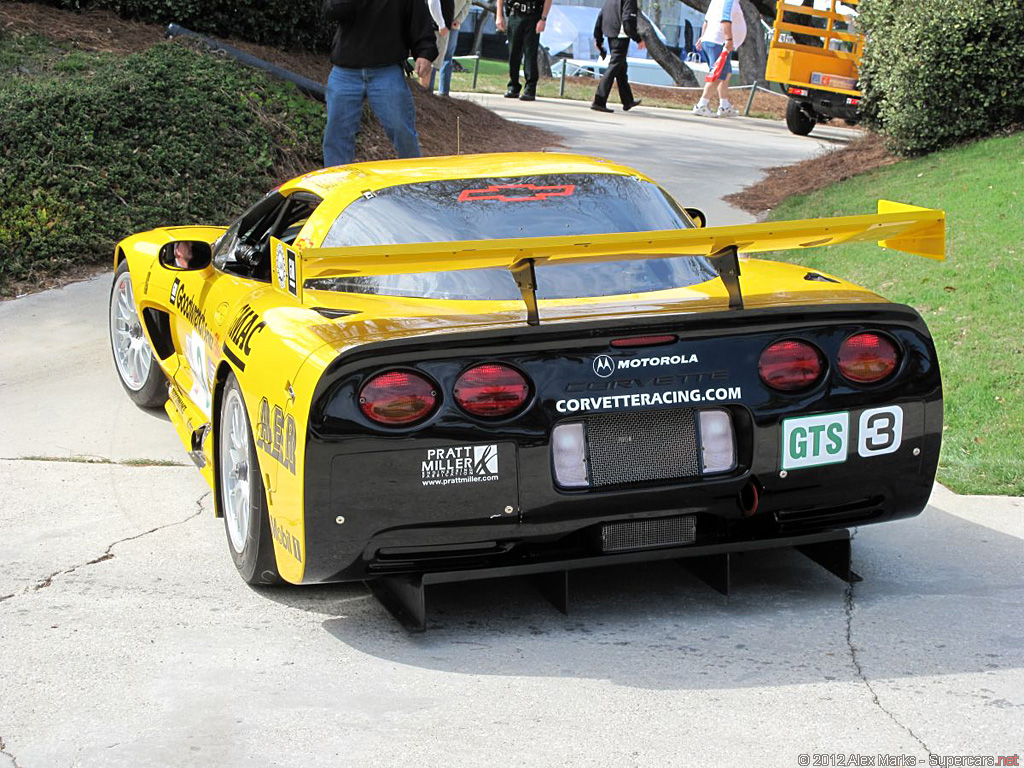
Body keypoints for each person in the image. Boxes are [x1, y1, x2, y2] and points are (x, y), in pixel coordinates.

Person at [322, 0, 438, 167]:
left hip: (387, 69)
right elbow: (329, 11)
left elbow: (419, 17)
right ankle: (334, 182)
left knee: (402, 130)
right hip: (345, 70)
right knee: (337, 133)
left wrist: (425, 53)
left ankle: (414, 180)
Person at [692, 0, 747, 118]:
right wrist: (729, 40)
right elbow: (725, 20)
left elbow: (706, 21)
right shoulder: (729, 1)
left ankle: (724, 105)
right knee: (717, 75)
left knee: (725, 74)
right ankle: (702, 105)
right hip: (719, 42)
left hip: (714, 41)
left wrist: (703, 37)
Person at [590, 0, 644, 113]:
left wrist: (598, 38)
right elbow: (628, 20)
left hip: (610, 33)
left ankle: (627, 100)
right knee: (614, 66)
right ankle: (599, 100)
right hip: (621, 36)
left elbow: (601, 16)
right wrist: (638, 39)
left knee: (621, 67)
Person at [495, 0, 552, 101]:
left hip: (533, 16)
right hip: (515, 14)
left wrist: (543, 19)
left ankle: (530, 89)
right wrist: (499, 15)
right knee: (513, 53)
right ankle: (513, 87)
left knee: (530, 54)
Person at [431, 0, 472, 96]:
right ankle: (428, 91)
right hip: (436, 21)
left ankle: (444, 93)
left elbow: (468, 3)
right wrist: (440, 22)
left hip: (453, 23)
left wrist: (459, 20)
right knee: (432, 56)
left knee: (447, 57)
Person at [422, 0, 455, 89]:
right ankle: (424, 96)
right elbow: (433, 2)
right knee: (428, 65)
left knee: (428, 65)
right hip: (437, 30)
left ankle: (424, 95)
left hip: (436, 28)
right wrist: (441, 24)